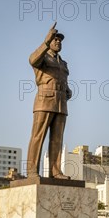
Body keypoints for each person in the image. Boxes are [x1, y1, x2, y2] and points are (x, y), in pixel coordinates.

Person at [26, 22, 72, 180]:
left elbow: (61, 79)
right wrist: (45, 42)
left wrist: (67, 89)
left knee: (57, 139)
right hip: (44, 101)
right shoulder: (42, 57)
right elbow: (32, 60)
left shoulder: (63, 63)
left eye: (60, 40)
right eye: (55, 39)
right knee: (38, 136)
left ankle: (55, 171)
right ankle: (32, 170)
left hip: (61, 103)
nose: (58, 41)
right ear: (49, 41)